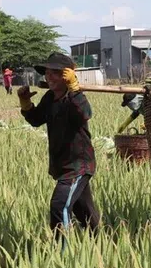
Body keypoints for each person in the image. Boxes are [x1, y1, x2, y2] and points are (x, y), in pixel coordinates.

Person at [17, 52, 100, 240]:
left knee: (59, 205)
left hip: (78, 165)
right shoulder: (50, 98)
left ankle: (62, 255)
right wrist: (26, 104)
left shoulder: (74, 97)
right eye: (47, 72)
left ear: (66, 75)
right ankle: (102, 244)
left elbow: (84, 114)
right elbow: (36, 120)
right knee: (85, 213)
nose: (49, 77)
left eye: (54, 73)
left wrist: (74, 88)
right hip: (62, 164)